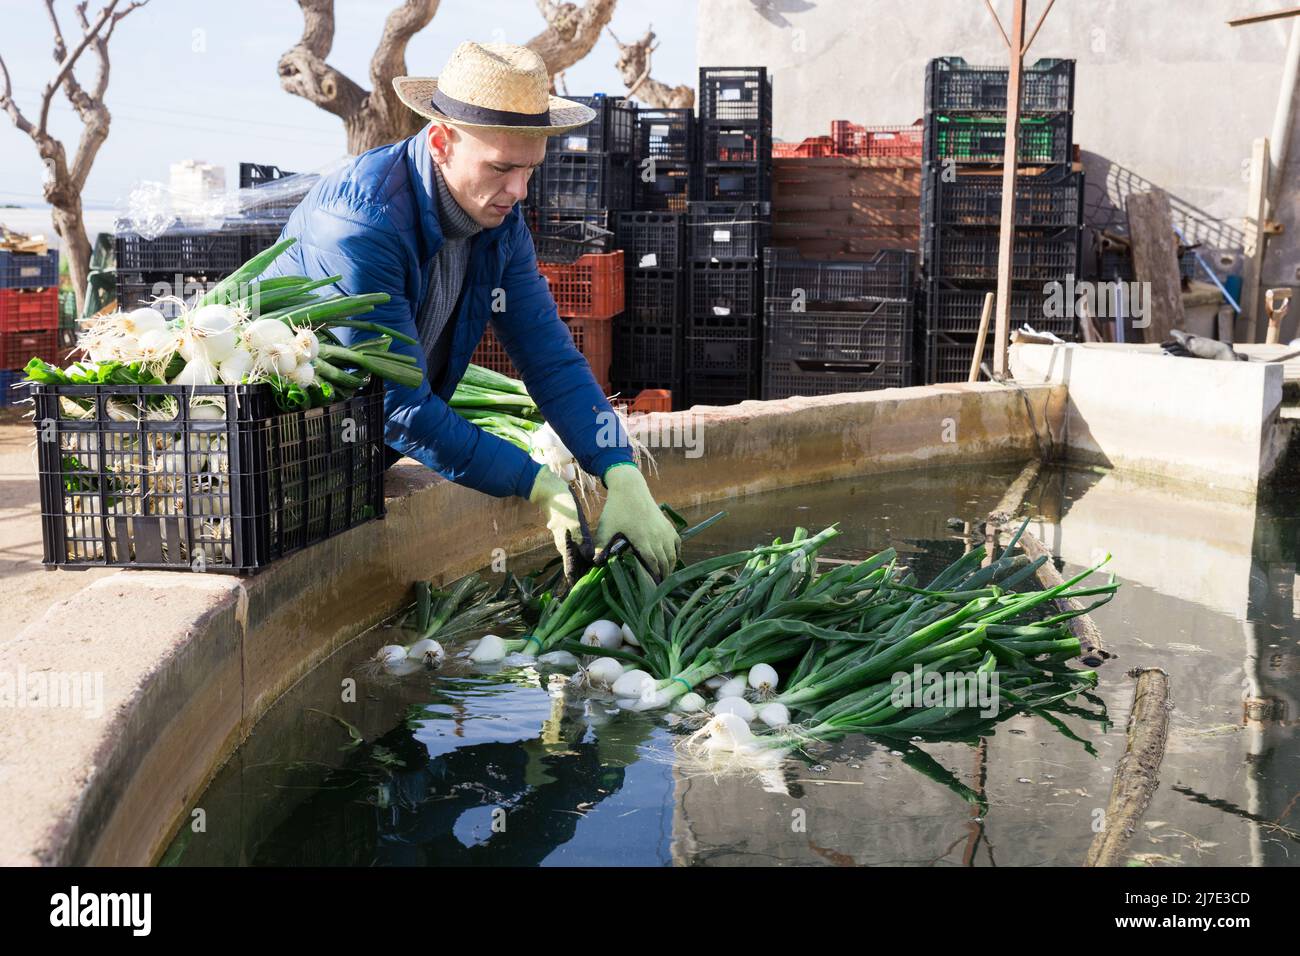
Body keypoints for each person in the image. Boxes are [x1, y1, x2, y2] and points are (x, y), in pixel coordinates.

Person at [256, 41, 681, 577]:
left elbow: (549, 359)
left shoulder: (499, 222)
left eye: (530, 170)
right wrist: (537, 482)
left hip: (352, 459)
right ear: (440, 141)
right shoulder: (359, 225)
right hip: (274, 455)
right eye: (502, 168)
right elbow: (399, 406)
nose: (518, 190)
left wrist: (620, 472)